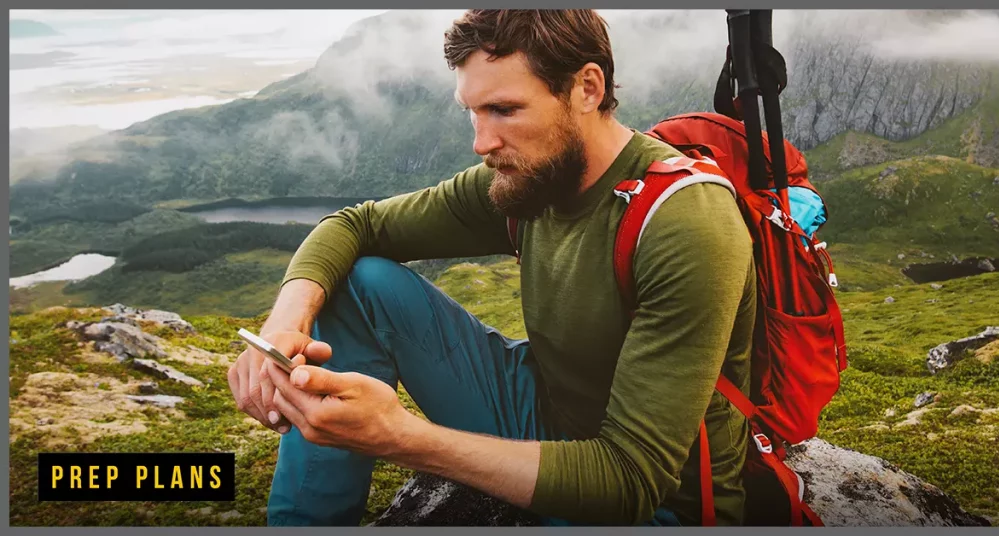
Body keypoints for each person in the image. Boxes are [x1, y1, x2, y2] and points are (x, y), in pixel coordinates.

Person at [227, 9, 756, 527]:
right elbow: (354, 225)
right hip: (544, 413)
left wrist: (397, 436)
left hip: (652, 501)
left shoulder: (685, 224)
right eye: (472, 110)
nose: (482, 143)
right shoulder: (532, 177)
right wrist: (284, 324)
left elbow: (631, 482)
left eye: (504, 110)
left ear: (587, 89)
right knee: (359, 282)